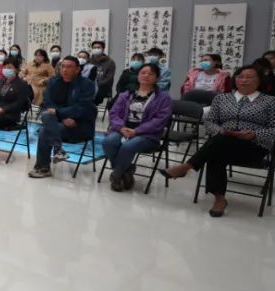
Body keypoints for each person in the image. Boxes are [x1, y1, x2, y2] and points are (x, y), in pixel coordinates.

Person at [161, 65, 275, 217]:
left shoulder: (270, 101)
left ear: (260, 80)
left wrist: (254, 134)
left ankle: (187, 166)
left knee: (217, 147)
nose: (244, 80)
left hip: (253, 146)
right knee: (218, 148)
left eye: (249, 77)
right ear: (235, 80)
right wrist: (219, 131)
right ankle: (219, 199)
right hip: (222, 141)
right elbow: (210, 122)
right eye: (240, 76)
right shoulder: (222, 98)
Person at [102, 63, 172, 191]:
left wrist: (137, 131)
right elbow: (114, 113)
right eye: (143, 73)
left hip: (147, 134)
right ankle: (126, 170)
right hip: (123, 130)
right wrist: (121, 128)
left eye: (151, 74)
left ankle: (116, 176)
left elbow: (160, 120)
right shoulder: (126, 94)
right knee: (108, 141)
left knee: (128, 146)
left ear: (157, 78)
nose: (146, 76)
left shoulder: (163, 98)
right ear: (138, 75)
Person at [28, 56, 96, 178]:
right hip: (58, 122)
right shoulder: (54, 82)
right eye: (62, 66)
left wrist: (61, 114)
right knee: (46, 117)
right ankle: (58, 149)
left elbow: (83, 108)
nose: (64, 70)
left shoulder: (87, 85)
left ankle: (43, 167)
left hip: (79, 124)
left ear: (77, 69)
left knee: (45, 130)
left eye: (69, 67)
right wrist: (62, 117)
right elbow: (47, 102)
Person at [90, 40, 116, 107]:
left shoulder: (110, 62)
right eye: (94, 47)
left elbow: (109, 78)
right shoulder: (89, 61)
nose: (96, 49)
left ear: (103, 49)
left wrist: (96, 84)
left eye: (98, 47)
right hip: (89, 87)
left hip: (103, 89)